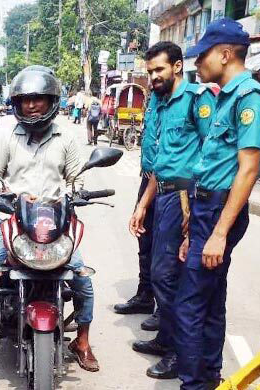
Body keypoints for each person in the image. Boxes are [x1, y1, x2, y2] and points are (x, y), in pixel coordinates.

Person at [0, 65, 100, 375]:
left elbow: (75, 177)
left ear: (52, 101)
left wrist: (79, 192)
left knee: (82, 277)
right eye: (24, 100)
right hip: (10, 217)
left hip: (55, 221)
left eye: (38, 99)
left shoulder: (67, 133)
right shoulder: (6, 129)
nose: (31, 105)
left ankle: (83, 341)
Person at [175, 18, 260, 389]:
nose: (197, 64)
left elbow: (248, 171)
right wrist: (195, 227)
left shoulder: (250, 99)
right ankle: (210, 376)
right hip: (207, 209)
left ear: (226, 54)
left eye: (202, 57)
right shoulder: (225, 95)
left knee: (189, 304)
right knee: (211, 301)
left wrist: (218, 233)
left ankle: (194, 383)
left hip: (220, 211)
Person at [128, 41, 216, 380]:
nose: (153, 77)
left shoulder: (197, 100)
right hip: (162, 193)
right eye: (150, 71)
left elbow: (211, 153)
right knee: (157, 269)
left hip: (184, 196)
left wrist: (195, 205)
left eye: (159, 70)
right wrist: (142, 204)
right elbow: (161, 162)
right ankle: (166, 339)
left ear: (178, 66)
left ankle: (180, 352)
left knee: (168, 276)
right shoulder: (162, 103)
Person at [113, 94, 158, 321]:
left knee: (165, 250)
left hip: (170, 183)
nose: (154, 77)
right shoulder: (155, 102)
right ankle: (145, 294)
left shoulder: (188, 100)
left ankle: (165, 310)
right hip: (149, 178)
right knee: (144, 238)